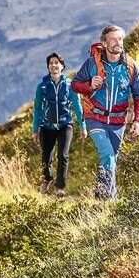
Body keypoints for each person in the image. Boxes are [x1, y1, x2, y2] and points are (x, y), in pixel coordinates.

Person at [71, 25, 139, 200]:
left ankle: (100, 196)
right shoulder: (92, 64)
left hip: (118, 123)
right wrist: (90, 84)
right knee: (107, 154)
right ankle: (110, 201)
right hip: (95, 118)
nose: (117, 42)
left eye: (120, 39)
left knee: (111, 160)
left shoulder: (130, 66)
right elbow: (75, 85)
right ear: (104, 43)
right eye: (113, 39)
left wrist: (138, 121)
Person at [32, 52, 87, 198]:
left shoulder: (70, 85)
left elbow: (77, 106)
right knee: (46, 156)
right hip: (46, 126)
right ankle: (47, 178)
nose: (54, 65)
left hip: (65, 125)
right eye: (51, 63)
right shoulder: (42, 86)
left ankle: (60, 187)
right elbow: (37, 108)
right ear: (48, 67)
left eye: (56, 62)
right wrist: (35, 129)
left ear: (62, 66)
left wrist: (83, 126)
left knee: (63, 155)